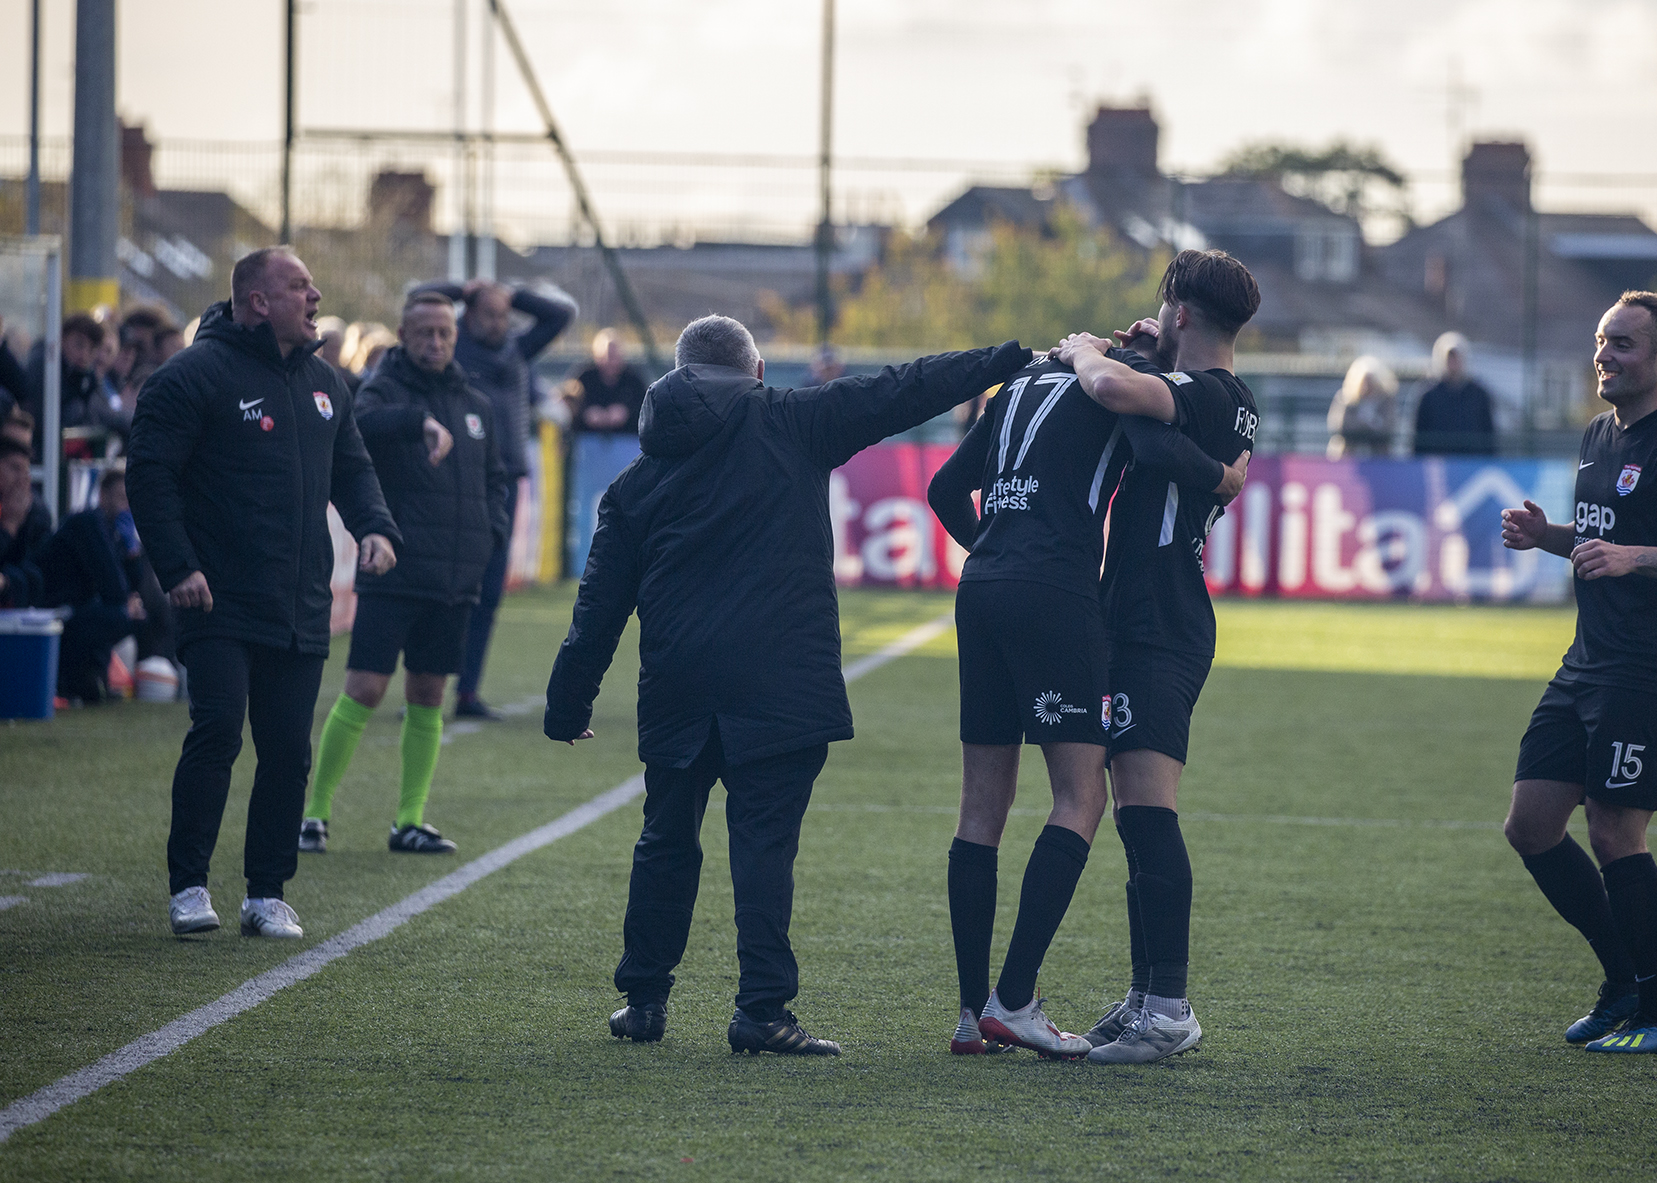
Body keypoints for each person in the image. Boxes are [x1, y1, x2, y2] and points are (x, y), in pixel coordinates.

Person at [545, 314, 1033, 1056]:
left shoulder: (635, 479)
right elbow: (905, 389)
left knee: (665, 839)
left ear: (680, 375)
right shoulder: (793, 419)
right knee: (764, 846)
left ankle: (643, 999)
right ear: (758, 371)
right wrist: (1006, 358)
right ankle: (761, 1011)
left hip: (678, 680)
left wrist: (568, 701)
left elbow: (598, 604)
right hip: (781, 678)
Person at [926, 317, 1244, 1059]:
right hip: (1056, 592)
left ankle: (973, 1016)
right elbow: (1156, 446)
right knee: (1082, 795)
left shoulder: (1015, 388)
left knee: (981, 806)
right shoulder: (1114, 389)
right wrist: (1222, 477)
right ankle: (1017, 999)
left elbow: (946, 488)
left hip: (981, 590)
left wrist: (996, 551)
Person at [128, 246, 400, 941]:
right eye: (299, 286)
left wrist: (374, 526)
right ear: (257, 302)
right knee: (218, 730)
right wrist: (178, 566)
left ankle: (266, 892)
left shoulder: (326, 384)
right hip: (214, 598)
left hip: (299, 600)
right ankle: (189, 885)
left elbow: (355, 469)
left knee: (287, 749)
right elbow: (150, 479)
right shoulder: (192, 376)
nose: (314, 298)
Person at [1499, 291, 1657, 1055]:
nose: (1605, 354)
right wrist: (1549, 537)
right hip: (1587, 662)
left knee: (1613, 827)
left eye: (1623, 343)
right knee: (1531, 823)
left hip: (1653, 668)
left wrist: (1638, 559)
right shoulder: (1599, 435)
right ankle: (1621, 982)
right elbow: (1603, 536)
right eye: (1602, 340)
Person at [1054, 248, 1263, 1064]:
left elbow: (1109, 392)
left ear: (1180, 313)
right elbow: (1150, 424)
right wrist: (1151, 353)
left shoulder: (1201, 392)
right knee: (1137, 819)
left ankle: (1169, 1007)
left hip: (1157, 620)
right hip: (1155, 611)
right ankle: (1147, 996)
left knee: (1148, 811)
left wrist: (1083, 349)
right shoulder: (1224, 394)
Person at [300, 291, 510, 856]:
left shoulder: (475, 404)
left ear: (454, 335)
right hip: (395, 569)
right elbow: (360, 426)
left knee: (428, 694)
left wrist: (491, 533)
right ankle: (313, 814)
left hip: (454, 578)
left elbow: (496, 479)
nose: (436, 343)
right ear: (404, 334)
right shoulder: (381, 390)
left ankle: (409, 821)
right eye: (425, 334)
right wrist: (418, 421)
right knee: (365, 688)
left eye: (444, 333)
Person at [416, 278, 575, 719]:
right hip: (458, 483)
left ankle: (468, 693)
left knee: (488, 592)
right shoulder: (454, 349)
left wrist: (512, 291)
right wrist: (464, 288)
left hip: (504, 485)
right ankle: (422, 684)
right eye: (490, 314)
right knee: (442, 590)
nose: (499, 323)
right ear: (468, 314)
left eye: (505, 315)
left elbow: (560, 315)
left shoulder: (515, 349)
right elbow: (417, 299)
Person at [35, 466, 146, 702]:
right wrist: (127, 606)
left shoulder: (112, 533)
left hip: (75, 611)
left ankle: (90, 681)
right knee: (118, 616)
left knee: (132, 616)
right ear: (103, 496)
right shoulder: (89, 523)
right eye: (121, 499)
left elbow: (134, 586)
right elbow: (115, 588)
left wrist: (133, 551)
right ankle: (74, 681)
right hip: (52, 612)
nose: (126, 508)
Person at [1411, 332, 1497, 456]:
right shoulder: (1428, 396)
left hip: (1471, 463)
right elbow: (1419, 435)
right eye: (1449, 358)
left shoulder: (1479, 395)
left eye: (1456, 357)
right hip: (1438, 463)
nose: (1453, 362)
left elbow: (1489, 433)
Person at [0, 435, 50, 609]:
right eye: (14, 468)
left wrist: (21, 522)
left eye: (25, 471)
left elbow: (21, 561)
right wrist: (9, 527)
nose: (21, 478)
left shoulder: (33, 509)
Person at [574, 329, 648, 432]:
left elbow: (647, 409)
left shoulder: (633, 380)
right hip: (586, 440)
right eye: (606, 356)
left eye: (614, 357)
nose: (610, 362)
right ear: (596, 356)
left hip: (627, 440)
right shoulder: (585, 378)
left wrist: (627, 413)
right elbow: (568, 405)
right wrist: (586, 413)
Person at [1326, 355, 1398, 459]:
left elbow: (1389, 425)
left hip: (1378, 452)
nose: (1367, 386)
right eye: (1365, 382)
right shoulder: (1347, 398)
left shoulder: (1386, 400)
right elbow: (1337, 424)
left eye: (1371, 382)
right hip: (1350, 451)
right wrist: (1362, 425)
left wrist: (1373, 424)